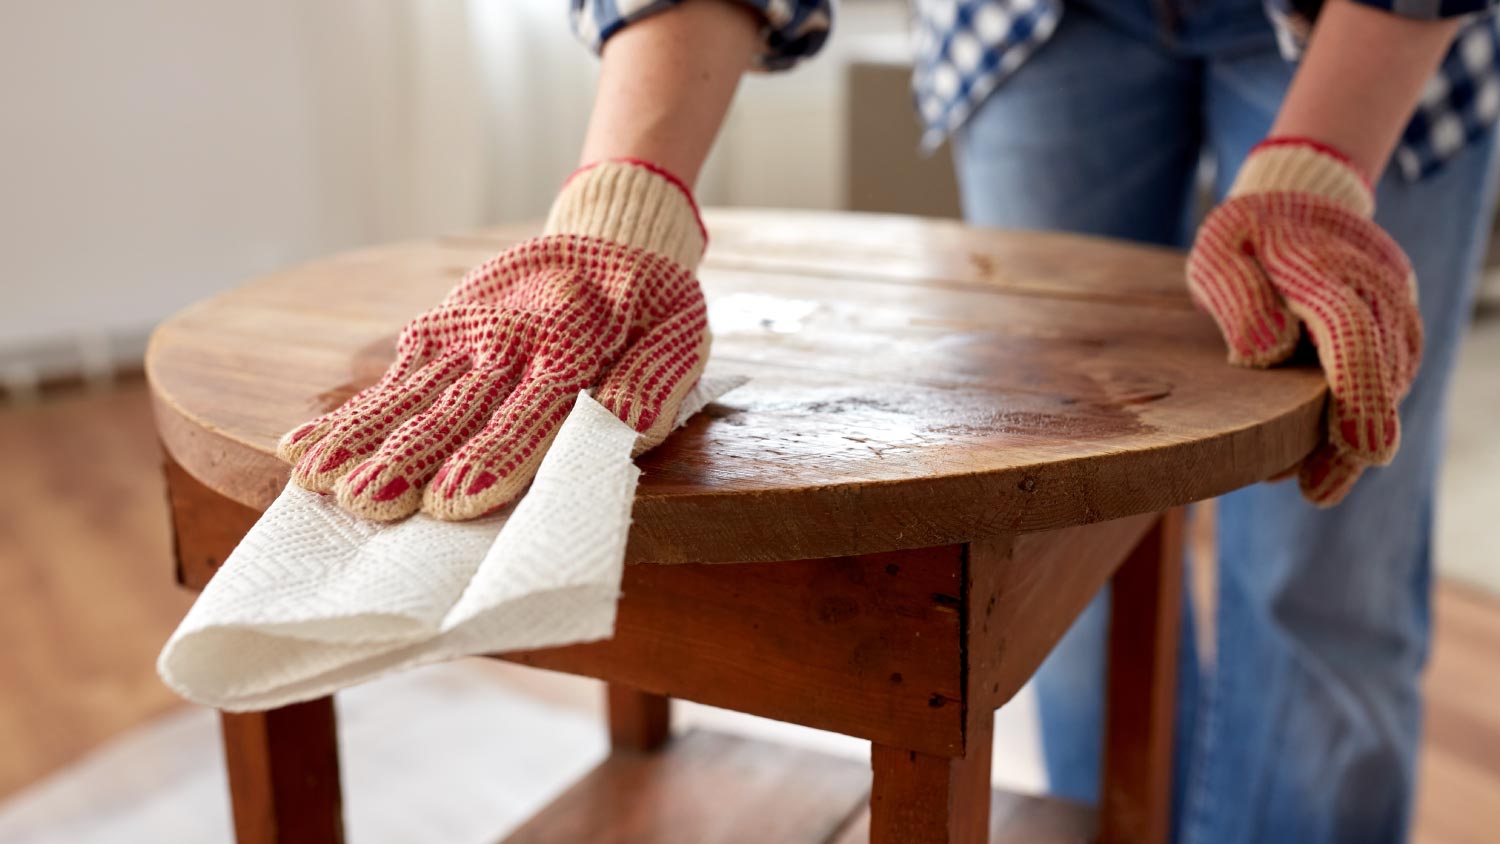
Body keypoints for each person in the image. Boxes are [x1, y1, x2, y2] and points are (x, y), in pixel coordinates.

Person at [279, 0, 1500, 840]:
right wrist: (626, 193)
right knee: (1065, 522)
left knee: (1327, 553)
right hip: (1044, 25)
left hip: (1375, 31)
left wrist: (1327, 157)